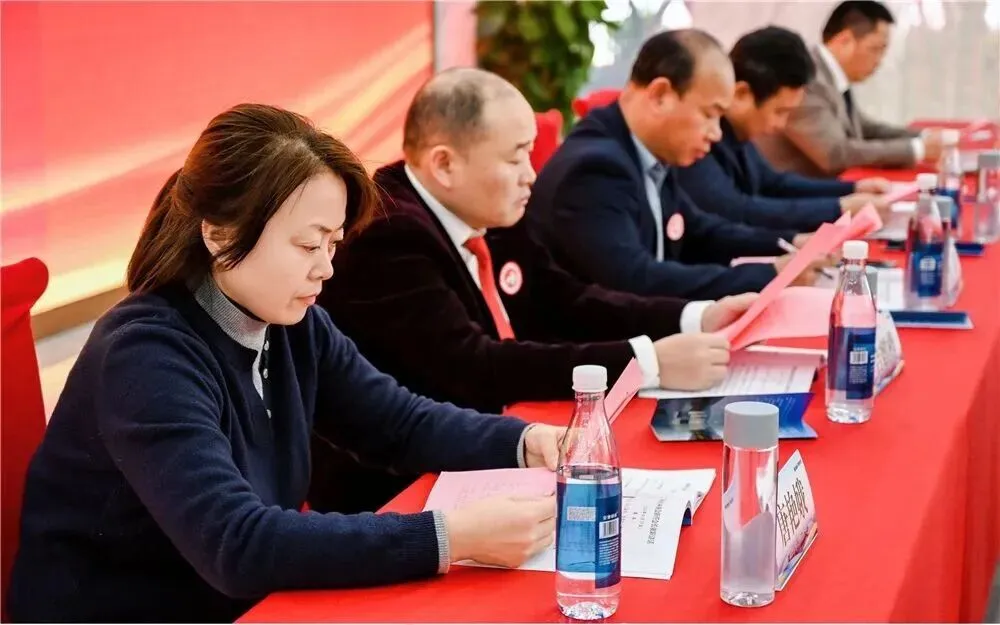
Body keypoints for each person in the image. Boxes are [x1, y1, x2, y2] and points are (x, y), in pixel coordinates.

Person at [7, 104, 567, 623]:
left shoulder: (292, 324)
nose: (326, 269)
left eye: (333, 244)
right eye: (307, 245)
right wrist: (449, 537)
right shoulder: (145, 356)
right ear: (220, 234)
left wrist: (527, 441)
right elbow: (237, 544)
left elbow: (397, 423)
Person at [529, 29, 833, 302]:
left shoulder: (649, 152)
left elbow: (697, 230)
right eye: (709, 114)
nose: (716, 134)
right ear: (660, 95)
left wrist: (790, 244)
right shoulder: (595, 170)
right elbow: (635, 279)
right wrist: (768, 275)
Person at [675, 26, 894, 232]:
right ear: (742, 94)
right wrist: (838, 208)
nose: (780, 125)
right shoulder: (699, 138)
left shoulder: (737, 132)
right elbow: (737, 211)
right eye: (780, 112)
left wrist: (852, 189)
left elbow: (774, 183)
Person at [754, 1, 944, 176]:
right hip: (795, 192)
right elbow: (834, 154)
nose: (879, 61)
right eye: (875, 49)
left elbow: (863, 128)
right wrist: (916, 149)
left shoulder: (829, 74)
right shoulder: (806, 76)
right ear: (844, 40)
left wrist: (922, 136)